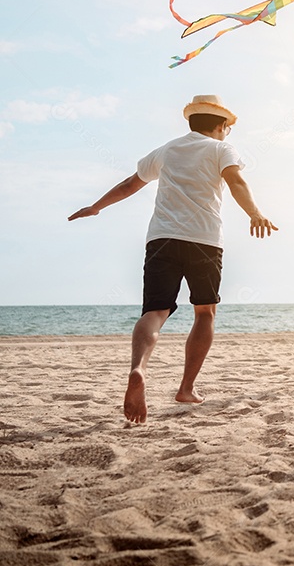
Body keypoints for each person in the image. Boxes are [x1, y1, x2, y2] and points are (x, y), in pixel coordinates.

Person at [68, 95, 277, 423]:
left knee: (155, 311)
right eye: (228, 128)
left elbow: (128, 185)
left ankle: (138, 368)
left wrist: (96, 206)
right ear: (220, 126)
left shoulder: (167, 150)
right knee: (205, 313)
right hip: (204, 241)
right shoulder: (222, 150)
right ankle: (186, 387)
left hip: (162, 240)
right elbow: (236, 181)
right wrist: (255, 213)